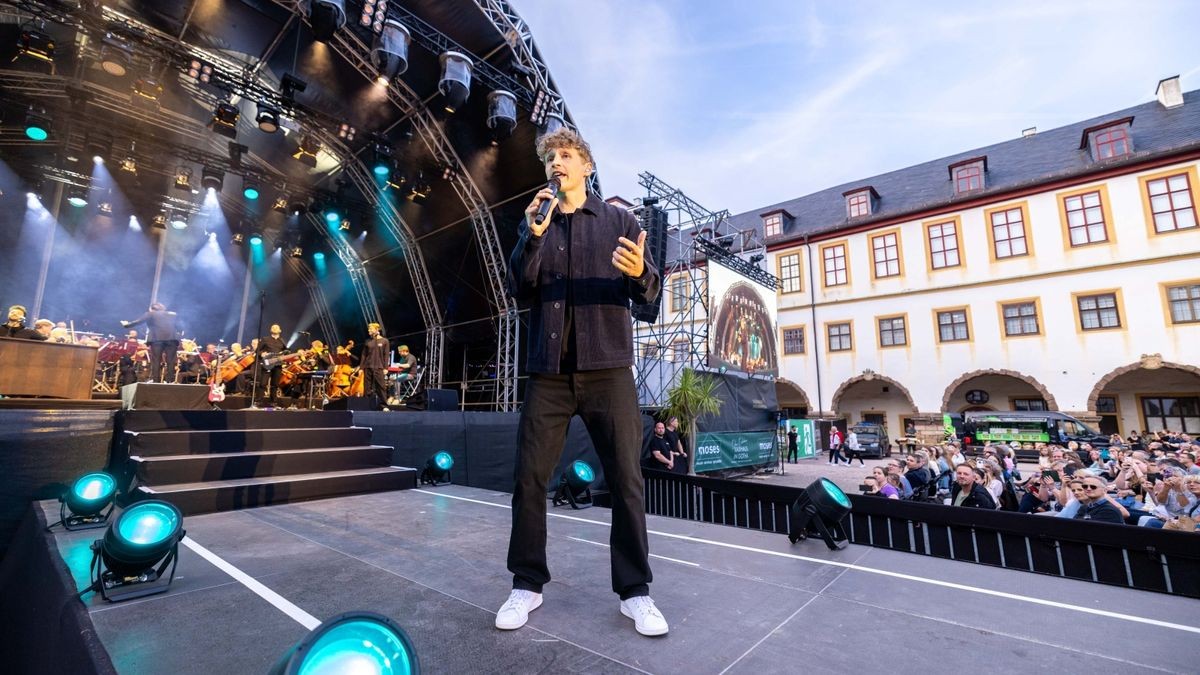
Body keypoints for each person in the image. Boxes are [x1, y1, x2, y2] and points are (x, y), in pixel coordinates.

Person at [496, 127, 665, 637]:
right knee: (529, 479)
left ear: (587, 166)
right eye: (550, 157)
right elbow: (517, 288)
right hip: (549, 372)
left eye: (566, 155)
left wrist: (639, 274)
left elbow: (651, 302)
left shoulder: (620, 220)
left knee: (627, 482)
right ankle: (526, 584)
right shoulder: (536, 221)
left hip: (608, 369)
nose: (556, 163)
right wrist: (533, 236)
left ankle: (635, 593)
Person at [122, 303, 179, 383]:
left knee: (156, 360)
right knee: (171, 360)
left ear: (151, 309)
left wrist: (126, 325)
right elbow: (178, 326)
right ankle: (170, 381)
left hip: (157, 339)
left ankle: (156, 381)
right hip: (172, 339)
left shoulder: (151, 314)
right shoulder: (172, 315)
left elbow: (138, 321)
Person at [360, 323, 390, 407]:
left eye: (371, 329)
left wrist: (386, 368)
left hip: (379, 367)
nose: (369, 330)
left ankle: (384, 406)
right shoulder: (367, 341)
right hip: (368, 367)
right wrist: (361, 368)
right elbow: (363, 355)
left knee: (381, 387)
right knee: (367, 388)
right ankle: (366, 405)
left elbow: (386, 355)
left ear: (377, 329)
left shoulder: (384, 341)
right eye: (368, 329)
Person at [256, 324, 287, 403]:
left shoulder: (282, 341)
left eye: (277, 327)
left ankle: (273, 402)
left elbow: (286, 352)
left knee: (275, 384)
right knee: (263, 383)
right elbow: (257, 351)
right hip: (267, 364)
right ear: (271, 330)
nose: (275, 328)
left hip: (278, 365)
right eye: (273, 327)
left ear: (280, 330)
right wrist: (261, 354)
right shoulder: (265, 339)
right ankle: (258, 401)